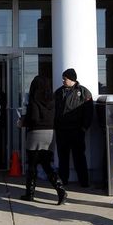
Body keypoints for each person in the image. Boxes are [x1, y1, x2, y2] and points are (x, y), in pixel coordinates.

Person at [19, 75, 67, 205]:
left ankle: (30, 193)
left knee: (32, 165)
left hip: (36, 133)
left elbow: (33, 118)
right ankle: (60, 190)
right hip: (50, 134)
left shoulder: (34, 99)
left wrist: (23, 122)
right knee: (46, 164)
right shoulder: (53, 99)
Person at [53, 68, 94, 187]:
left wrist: (84, 127)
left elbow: (89, 112)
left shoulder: (83, 92)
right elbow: (54, 109)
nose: (63, 80)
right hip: (62, 131)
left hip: (77, 131)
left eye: (65, 78)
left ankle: (84, 182)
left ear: (72, 79)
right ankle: (63, 181)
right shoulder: (59, 92)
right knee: (63, 157)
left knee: (79, 157)